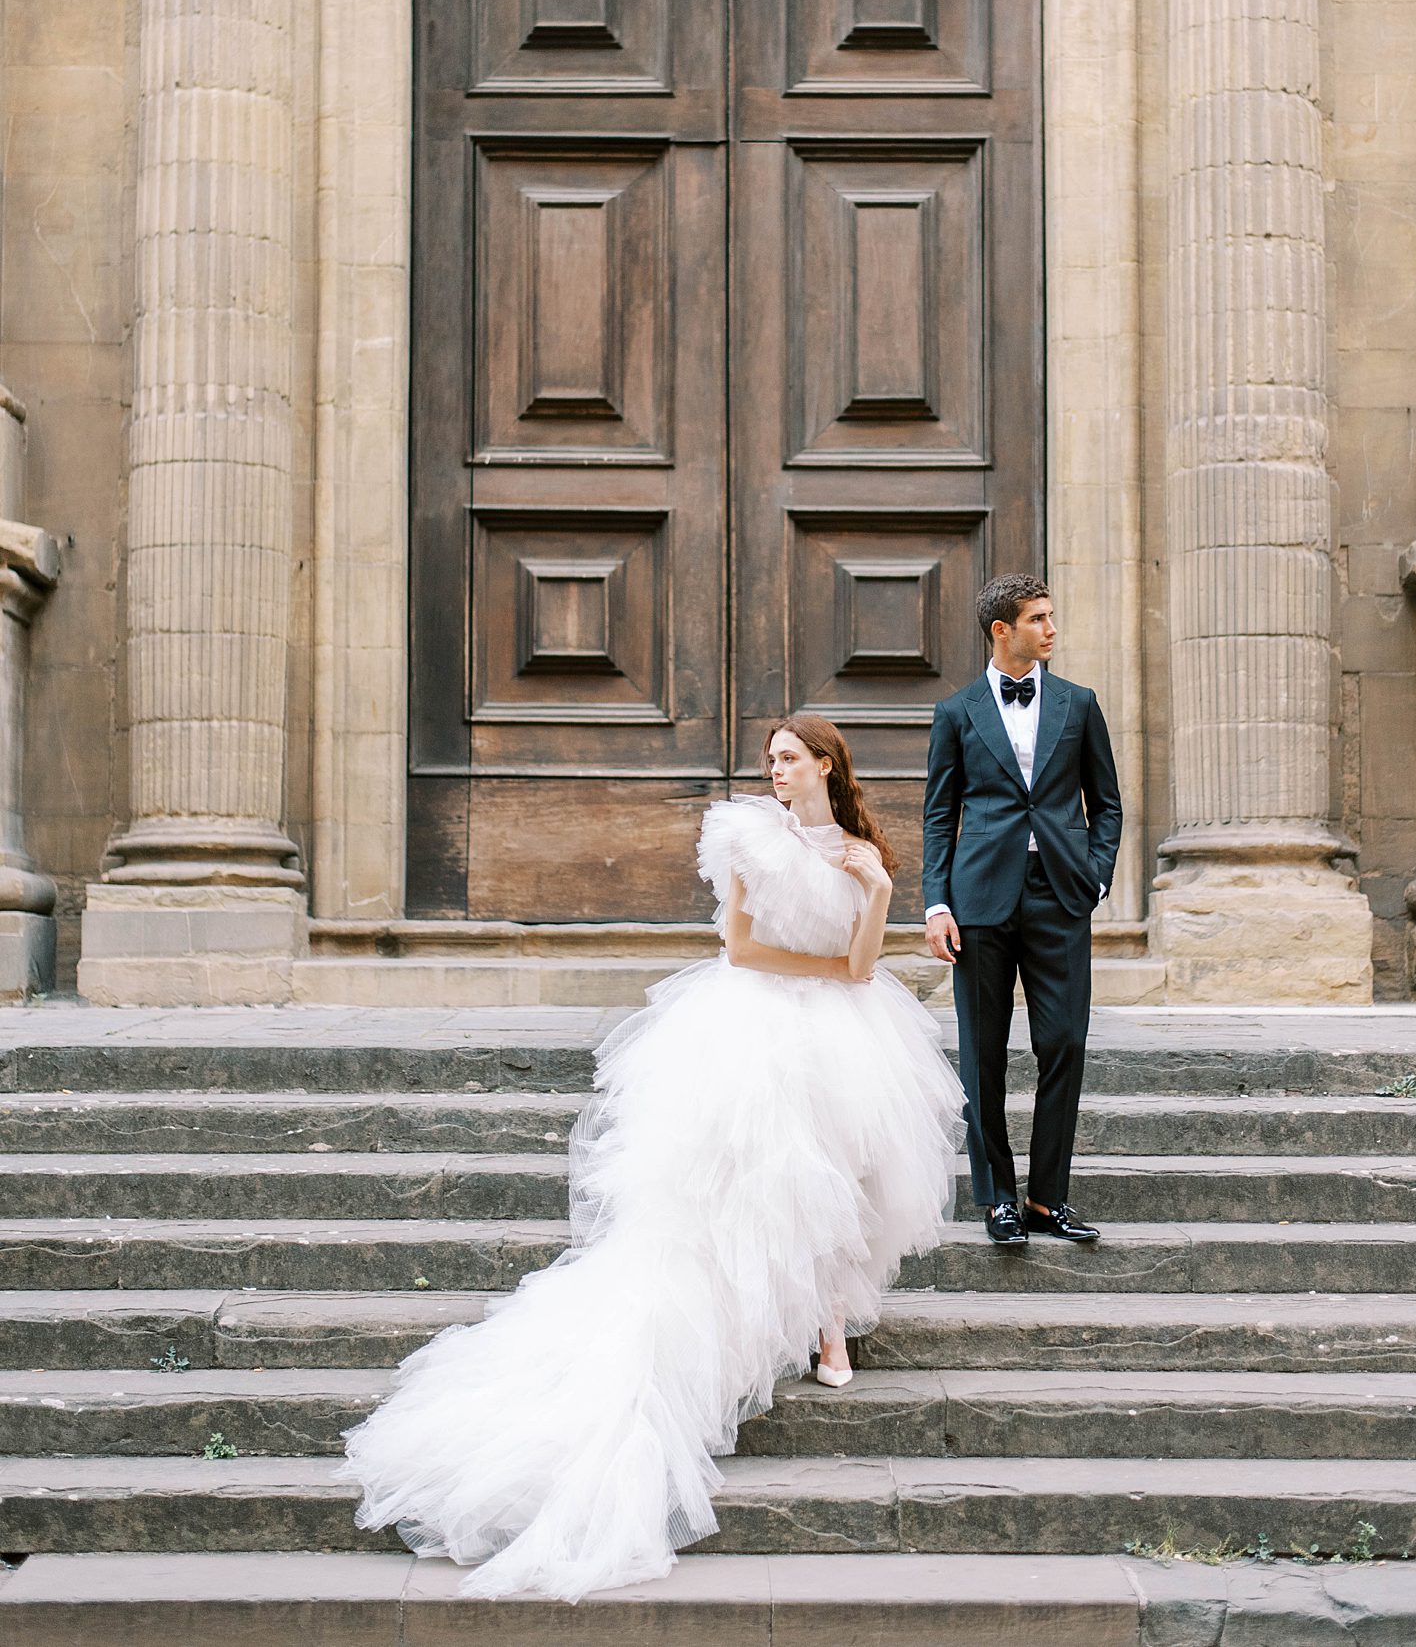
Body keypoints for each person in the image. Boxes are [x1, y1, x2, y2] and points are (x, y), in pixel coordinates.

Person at [343, 713, 963, 1601]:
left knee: (845, 1161)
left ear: (827, 763)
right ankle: (769, 1316)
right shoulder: (750, 834)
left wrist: (877, 893)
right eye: (771, 759)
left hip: (843, 1022)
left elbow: (866, 966)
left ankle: (829, 1319)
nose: (776, 770)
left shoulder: (865, 849)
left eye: (790, 758)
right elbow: (742, 947)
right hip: (754, 1016)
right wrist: (823, 979)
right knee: (761, 1170)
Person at [923, 572, 1122, 1249]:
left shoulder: (1079, 702)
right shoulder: (956, 712)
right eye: (1038, 618)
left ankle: (1047, 1199)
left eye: (1052, 615)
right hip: (979, 899)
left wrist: (1097, 876)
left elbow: (1108, 802)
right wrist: (937, 902)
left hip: (1060, 893)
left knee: (1063, 1041)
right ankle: (999, 1197)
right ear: (1001, 629)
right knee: (982, 1053)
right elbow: (940, 814)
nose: (1052, 628)